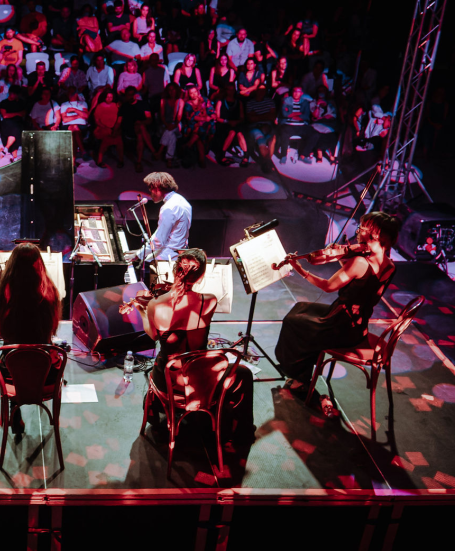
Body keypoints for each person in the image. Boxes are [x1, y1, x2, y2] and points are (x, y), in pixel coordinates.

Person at [275, 212, 400, 415]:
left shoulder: (360, 262)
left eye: (363, 227)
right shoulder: (389, 265)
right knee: (302, 308)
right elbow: (363, 286)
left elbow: (328, 286)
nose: (358, 231)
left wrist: (299, 269)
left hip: (339, 327)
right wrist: (344, 259)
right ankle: (303, 374)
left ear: (376, 234)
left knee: (293, 321)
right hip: (357, 326)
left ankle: (299, 377)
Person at [137, 248, 253, 443]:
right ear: (201, 276)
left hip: (169, 379)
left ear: (175, 271)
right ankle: (241, 431)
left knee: (161, 364)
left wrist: (142, 312)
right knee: (244, 373)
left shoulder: (155, 304)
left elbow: (154, 335)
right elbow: (188, 311)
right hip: (200, 378)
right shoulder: (210, 300)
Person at [0, 243, 63, 441]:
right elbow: (52, 329)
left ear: (12, 266)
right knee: (44, 354)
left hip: (12, 374)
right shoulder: (50, 294)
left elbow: (0, 331)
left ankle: (15, 408)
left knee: (13, 357)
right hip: (47, 374)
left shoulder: (4, 296)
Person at [124, 171, 191, 265]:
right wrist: (141, 251)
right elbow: (163, 234)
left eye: (150, 189)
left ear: (156, 187)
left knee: (139, 265)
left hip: (167, 258)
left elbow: (159, 241)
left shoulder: (168, 207)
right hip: (178, 253)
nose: (150, 194)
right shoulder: (182, 201)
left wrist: (138, 255)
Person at [119, 88, 153, 171]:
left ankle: (139, 162)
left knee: (140, 130)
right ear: (126, 96)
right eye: (129, 95)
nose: (131, 96)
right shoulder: (124, 106)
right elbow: (119, 121)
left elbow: (149, 119)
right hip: (129, 129)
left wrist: (141, 122)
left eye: (132, 94)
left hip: (141, 128)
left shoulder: (143, 104)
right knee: (140, 128)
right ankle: (153, 151)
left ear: (135, 95)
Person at [214, 86, 248, 166]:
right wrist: (228, 121)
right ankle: (222, 155)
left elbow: (242, 117)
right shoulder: (220, 102)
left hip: (236, 123)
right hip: (224, 123)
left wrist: (235, 122)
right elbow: (217, 117)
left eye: (232, 90)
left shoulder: (239, 102)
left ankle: (246, 156)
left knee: (239, 133)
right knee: (232, 132)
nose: (231, 92)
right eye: (229, 90)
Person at [91, 87, 124, 168]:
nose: (109, 99)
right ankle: (102, 160)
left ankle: (101, 160)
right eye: (107, 97)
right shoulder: (100, 106)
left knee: (118, 140)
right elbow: (97, 121)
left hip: (114, 128)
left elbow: (120, 118)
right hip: (102, 128)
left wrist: (115, 129)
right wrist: (106, 127)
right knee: (108, 138)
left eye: (111, 97)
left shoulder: (116, 105)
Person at [58, 88, 89, 156]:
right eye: (69, 92)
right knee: (74, 128)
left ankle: (74, 157)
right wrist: (79, 115)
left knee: (74, 130)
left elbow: (86, 116)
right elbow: (65, 119)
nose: (71, 94)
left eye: (72, 93)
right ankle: (83, 151)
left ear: (76, 94)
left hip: (81, 125)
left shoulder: (83, 103)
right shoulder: (64, 104)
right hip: (67, 125)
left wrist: (74, 110)